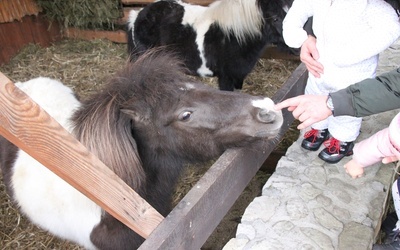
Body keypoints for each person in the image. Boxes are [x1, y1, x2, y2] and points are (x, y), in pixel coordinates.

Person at [281, 0, 400, 164]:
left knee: (348, 103)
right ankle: (319, 128)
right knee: (315, 93)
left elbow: (390, 28)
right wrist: (300, 37)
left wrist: (348, 54)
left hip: (353, 71)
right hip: (319, 64)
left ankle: (343, 138)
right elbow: (299, 10)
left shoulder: (371, 6)